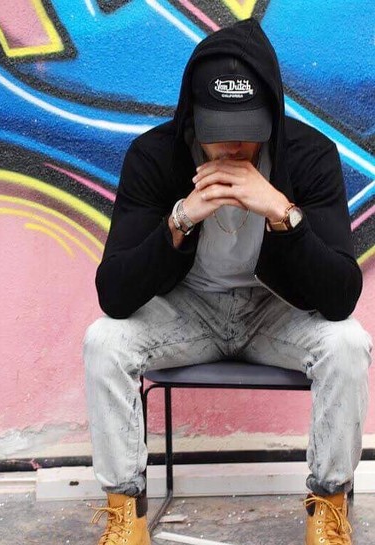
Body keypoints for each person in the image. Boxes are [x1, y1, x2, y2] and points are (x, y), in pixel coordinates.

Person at [83, 18, 371, 545]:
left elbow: (340, 298)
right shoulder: (155, 156)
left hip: (274, 312)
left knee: (348, 343)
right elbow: (115, 295)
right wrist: (180, 219)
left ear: (271, 120)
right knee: (104, 340)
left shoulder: (310, 156)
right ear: (193, 119)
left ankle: (328, 511)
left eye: (247, 132)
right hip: (188, 311)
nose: (233, 147)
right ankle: (126, 515)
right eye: (217, 131)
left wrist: (283, 213)